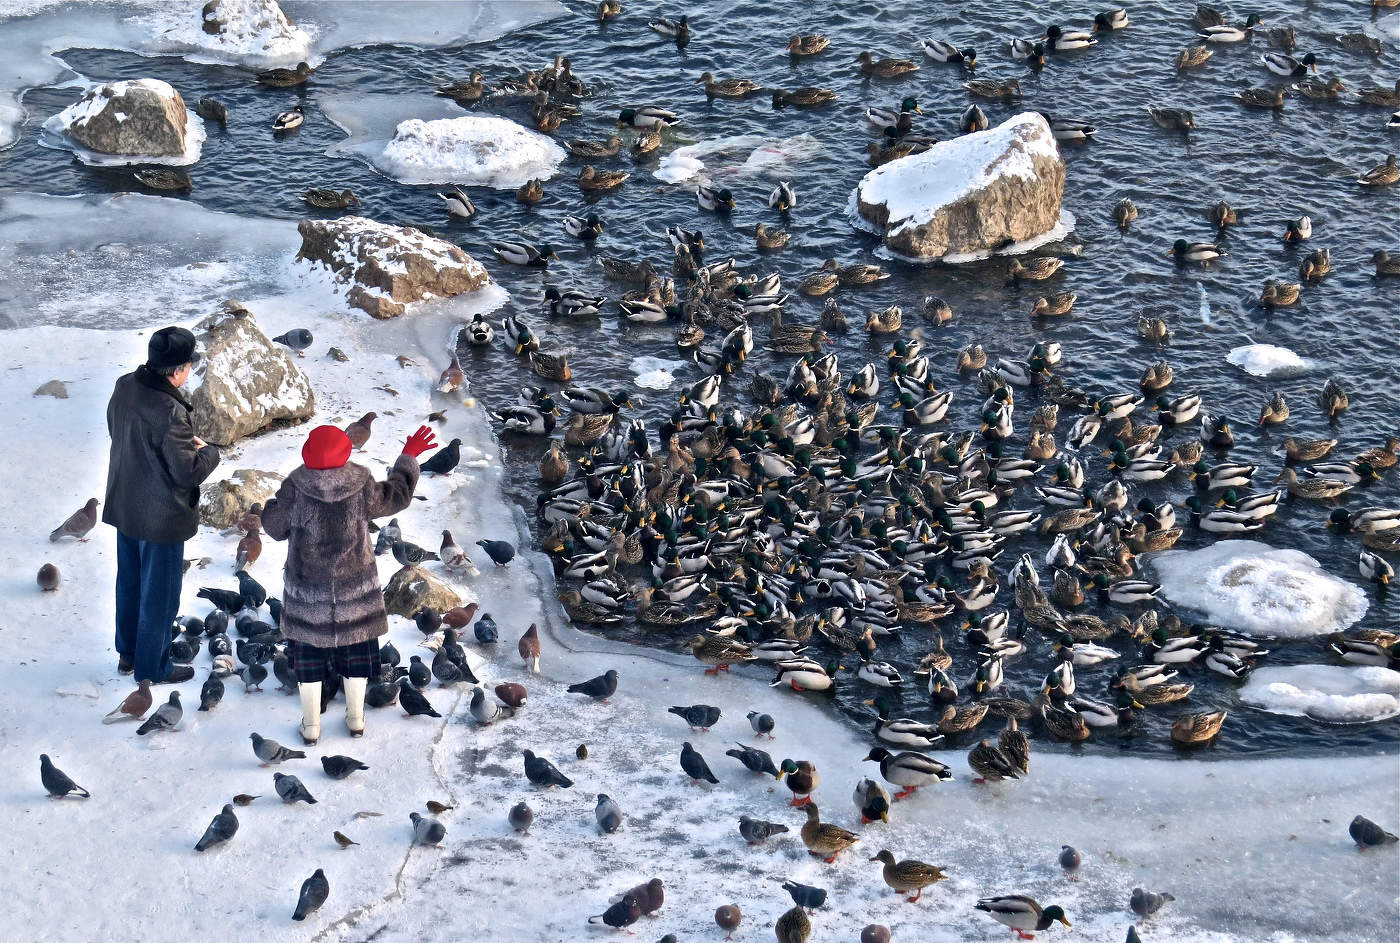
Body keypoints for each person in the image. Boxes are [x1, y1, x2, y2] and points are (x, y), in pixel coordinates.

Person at [261, 423, 437, 744]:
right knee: (356, 654)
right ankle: (356, 719)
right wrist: (408, 457)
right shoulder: (361, 484)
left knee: (309, 659)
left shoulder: (295, 487)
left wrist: (274, 505)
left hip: (307, 596)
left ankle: (311, 725)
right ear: (346, 454)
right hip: (355, 594)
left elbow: (273, 526)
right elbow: (397, 496)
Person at [105, 326, 221, 685]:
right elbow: (187, 473)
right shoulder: (169, 409)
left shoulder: (125, 385)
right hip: (161, 518)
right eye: (188, 365)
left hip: (126, 503)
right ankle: (154, 665)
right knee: (160, 595)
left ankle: (128, 653)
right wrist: (209, 452)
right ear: (177, 370)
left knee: (130, 582)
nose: (189, 372)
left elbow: (116, 428)